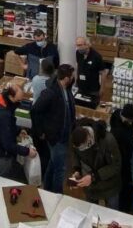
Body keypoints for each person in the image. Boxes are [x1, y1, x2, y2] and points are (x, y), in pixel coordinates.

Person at [31, 64, 76, 194]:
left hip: (64, 134)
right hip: (56, 137)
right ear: (67, 78)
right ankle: (57, 195)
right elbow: (35, 111)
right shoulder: (51, 93)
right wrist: (40, 132)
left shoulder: (66, 89)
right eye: (72, 76)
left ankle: (47, 189)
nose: (73, 78)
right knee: (60, 169)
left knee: (53, 163)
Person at [69, 118, 122, 209]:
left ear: (88, 138)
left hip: (109, 186)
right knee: (90, 212)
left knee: (112, 215)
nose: (81, 150)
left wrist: (93, 176)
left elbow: (115, 166)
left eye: (82, 148)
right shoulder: (75, 137)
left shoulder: (108, 140)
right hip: (90, 188)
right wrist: (77, 170)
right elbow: (75, 155)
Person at [0, 83, 36, 178]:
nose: (19, 103)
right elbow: (8, 145)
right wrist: (27, 151)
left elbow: (5, 127)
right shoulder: (4, 115)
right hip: (1, 152)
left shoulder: (0, 100)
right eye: (18, 100)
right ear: (10, 96)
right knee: (3, 177)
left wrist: (18, 130)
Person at [110, 104, 133, 212]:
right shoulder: (118, 133)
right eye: (130, 120)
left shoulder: (117, 115)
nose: (131, 123)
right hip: (122, 163)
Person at [75, 37, 106, 108]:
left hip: (93, 89)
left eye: (80, 45)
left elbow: (103, 73)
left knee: (92, 107)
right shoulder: (78, 53)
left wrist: (102, 88)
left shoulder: (97, 56)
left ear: (87, 45)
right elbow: (78, 66)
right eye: (77, 45)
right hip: (81, 86)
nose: (78, 48)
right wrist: (77, 80)